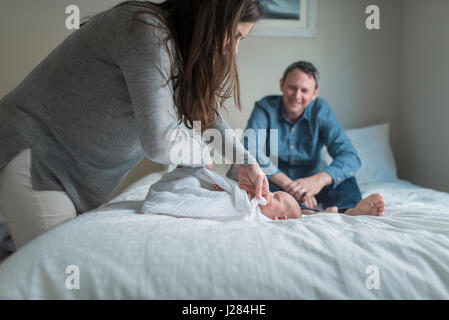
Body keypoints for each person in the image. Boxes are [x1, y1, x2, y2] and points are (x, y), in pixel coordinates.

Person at [0, 0, 269, 251]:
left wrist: (244, 161)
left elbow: (206, 114)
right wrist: (202, 153)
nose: (233, 50)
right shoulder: (146, 30)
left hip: (77, 179)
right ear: (210, 16)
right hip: (37, 157)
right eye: (234, 35)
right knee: (58, 267)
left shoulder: (177, 49)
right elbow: (160, 142)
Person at [243, 61, 386, 216]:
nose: (297, 96)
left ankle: (349, 210)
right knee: (257, 181)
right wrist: (291, 185)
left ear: (314, 94)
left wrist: (318, 181)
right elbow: (248, 149)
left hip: (314, 184)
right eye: (292, 87)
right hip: (278, 183)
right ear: (282, 84)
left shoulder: (321, 110)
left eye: (304, 90)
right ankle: (309, 210)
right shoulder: (265, 108)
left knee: (344, 177)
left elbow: (349, 156)